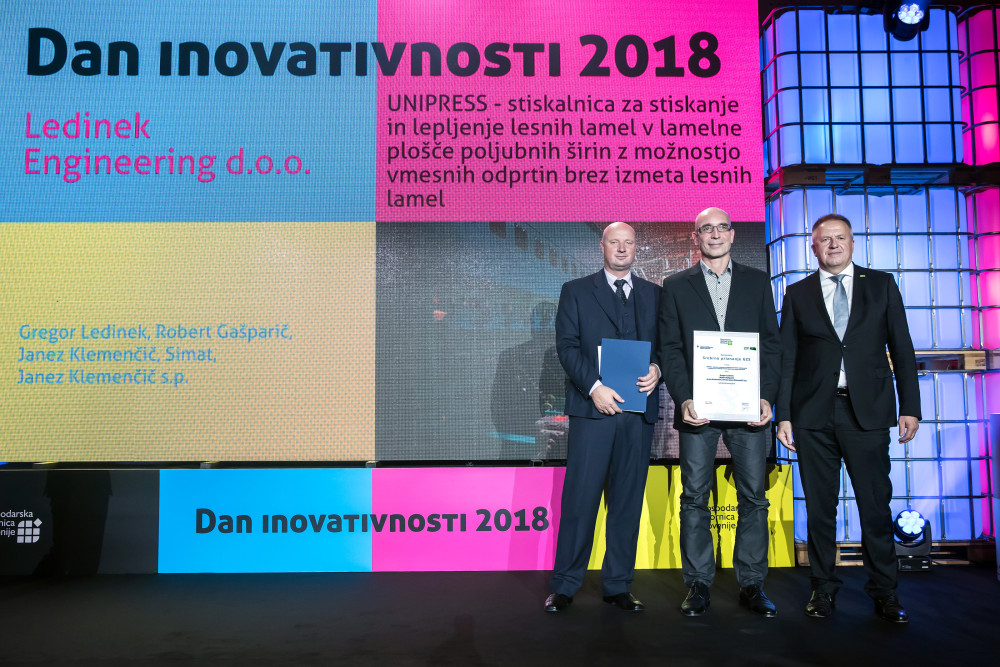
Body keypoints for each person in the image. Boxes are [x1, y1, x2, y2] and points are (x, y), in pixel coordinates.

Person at [776, 213, 920, 624]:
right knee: (820, 510)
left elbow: (903, 349)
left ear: (853, 243)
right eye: (826, 239)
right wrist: (783, 416)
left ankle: (885, 592)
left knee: (875, 507)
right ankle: (822, 589)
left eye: (841, 238)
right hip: (813, 416)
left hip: (868, 413)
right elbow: (787, 359)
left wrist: (910, 406)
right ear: (814, 247)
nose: (834, 245)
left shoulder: (881, 285)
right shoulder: (797, 293)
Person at [656, 207, 782, 617]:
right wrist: (683, 398)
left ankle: (752, 584)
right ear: (696, 237)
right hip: (699, 408)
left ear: (732, 234)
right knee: (694, 497)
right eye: (705, 229)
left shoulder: (757, 282)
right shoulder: (676, 285)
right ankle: (698, 583)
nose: (714, 235)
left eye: (721, 228)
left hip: (748, 407)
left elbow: (771, 344)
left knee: (754, 497)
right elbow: (671, 348)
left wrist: (766, 396)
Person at [544, 222, 662, 613]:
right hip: (593, 412)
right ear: (602, 246)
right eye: (615, 242)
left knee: (627, 502)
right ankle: (565, 585)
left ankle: (618, 585)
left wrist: (658, 368)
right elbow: (567, 346)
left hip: (638, 414)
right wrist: (594, 387)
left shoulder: (655, 294)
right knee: (580, 501)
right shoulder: (576, 291)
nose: (622, 248)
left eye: (629, 242)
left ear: (636, 248)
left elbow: (666, 345)